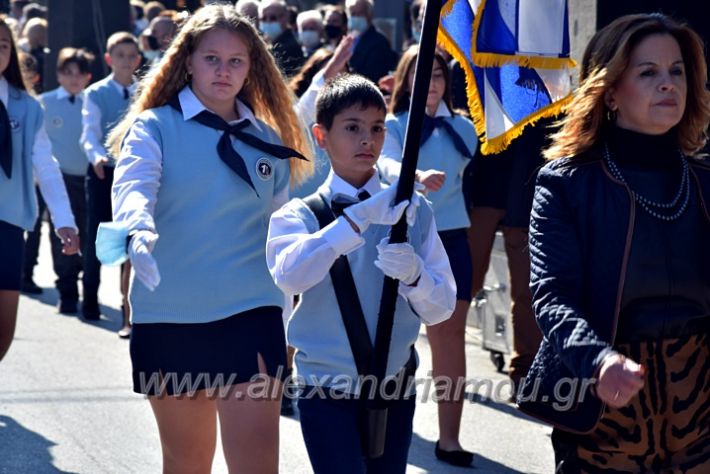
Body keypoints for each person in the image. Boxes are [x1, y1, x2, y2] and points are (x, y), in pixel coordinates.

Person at [103, 5, 312, 472]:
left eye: (236, 60)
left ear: (251, 68)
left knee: (258, 463)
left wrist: (289, 305)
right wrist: (137, 228)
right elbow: (133, 186)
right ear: (188, 61)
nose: (224, 70)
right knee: (187, 462)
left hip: (251, 313)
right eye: (212, 58)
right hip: (171, 314)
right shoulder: (154, 126)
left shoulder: (267, 139)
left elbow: (280, 232)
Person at [517, 13, 710, 472]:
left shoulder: (704, 180)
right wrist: (599, 361)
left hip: (701, 402)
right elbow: (551, 295)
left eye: (677, 70)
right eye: (648, 72)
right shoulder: (566, 183)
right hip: (608, 406)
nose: (668, 84)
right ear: (609, 92)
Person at [266, 73, 455, 474]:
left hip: (393, 385)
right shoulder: (298, 216)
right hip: (325, 386)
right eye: (352, 128)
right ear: (321, 136)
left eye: (376, 128)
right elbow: (290, 276)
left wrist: (416, 275)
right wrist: (357, 221)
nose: (366, 140)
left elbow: (442, 307)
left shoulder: (414, 213)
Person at [378, 46, 477, 467]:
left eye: (437, 74)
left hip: (453, 240)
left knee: (450, 339)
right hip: (404, 239)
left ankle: (449, 438)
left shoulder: (467, 129)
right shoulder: (393, 126)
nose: (431, 82)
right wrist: (416, 177)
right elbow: (384, 165)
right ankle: (380, 417)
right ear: (406, 79)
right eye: (421, 74)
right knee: (393, 339)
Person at [0, 16, 79, 362]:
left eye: (3, 46)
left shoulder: (28, 107)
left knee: (4, 328)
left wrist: (65, 220)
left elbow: (45, 166)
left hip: (9, 223)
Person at [80, 31, 141, 329]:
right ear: (108, 59)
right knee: (98, 235)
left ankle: (126, 306)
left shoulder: (145, 91)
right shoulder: (95, 93)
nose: (126, 62)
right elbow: (89, 133)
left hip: (135, 172)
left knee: (129, 239)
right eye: (120, 56)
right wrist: (96, 158)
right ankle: (89, 296)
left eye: (131, 56)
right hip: (104, 172)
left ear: (139, 60)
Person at [38, 48, 95, 315]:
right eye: (67, 72)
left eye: (79, 73)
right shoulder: (44, 103)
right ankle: (67, 291)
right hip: (59, 180)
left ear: (88, 76)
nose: (74, 79)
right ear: (58, 74)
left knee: (87, 233)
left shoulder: (92, 102)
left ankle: (85, 285)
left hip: (88, 179)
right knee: (61, 234)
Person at [344, 0, 398, 84]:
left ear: (369, 15)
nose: (356, 17)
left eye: (360, 13)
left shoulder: (379, 42)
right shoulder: (348, 39)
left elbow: (373, 75)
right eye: (353, 14)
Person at [259, 0, 304, 78]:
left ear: (285, 18)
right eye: (264, 18)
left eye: (273, 18)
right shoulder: (270, 43)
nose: (268, 21)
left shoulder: (289, 47)